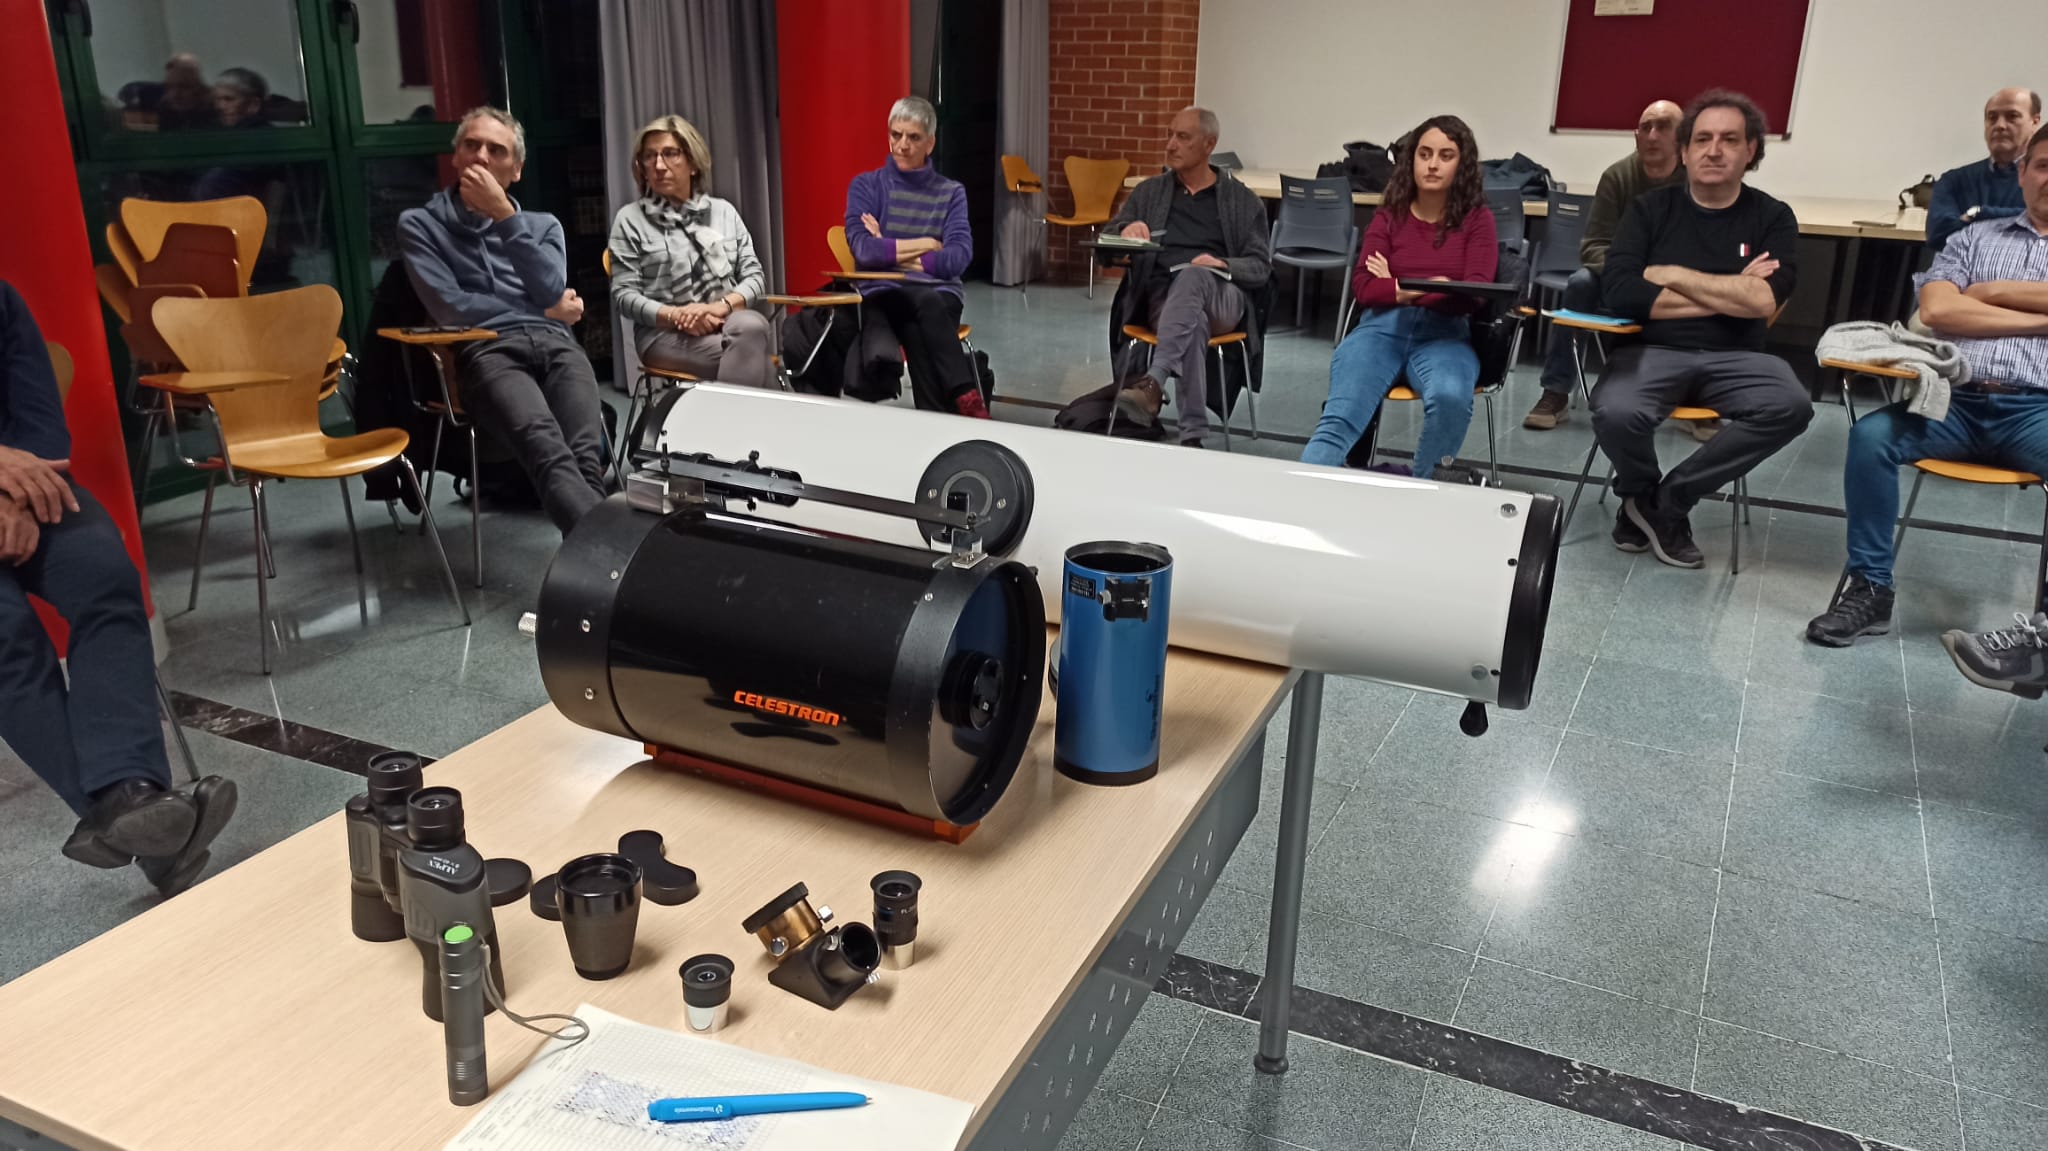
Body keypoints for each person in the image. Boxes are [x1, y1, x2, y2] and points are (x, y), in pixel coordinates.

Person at [0, 280, 236, 899]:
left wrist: (14, 494)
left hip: (25, 486)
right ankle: (139, 809)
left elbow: (36, 406)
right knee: (7, 638)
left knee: (104, 577)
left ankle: (130, 806)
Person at [1807, 122, 2048, 647]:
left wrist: (1989, 293)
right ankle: (1871, 590)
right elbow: (1938, 309)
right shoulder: (1973, 238)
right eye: (2043, 166)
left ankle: (2045, 629)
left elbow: (1959, 306)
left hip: (2037, 411)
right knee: (1871, 438)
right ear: (2023, 173)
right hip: (1954, 404)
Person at [1590, 89, 1812, 569]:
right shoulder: (1648, 211)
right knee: (1615, 411)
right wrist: (1732, 293)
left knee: (1790, 406)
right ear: (1685, 151)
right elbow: (1621, 291)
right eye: (1702, 139)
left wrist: (1669, 273)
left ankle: (1664, 504)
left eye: (1729, 140)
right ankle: (1641, 491)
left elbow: (1764, 301)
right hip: (1652, 351)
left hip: (1740, 356)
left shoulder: (1773, 217)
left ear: (1750, 150)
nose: (1714, 151)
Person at [398, 106, 610, 536]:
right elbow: (451, 307)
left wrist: (504, 216)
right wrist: (543, 310)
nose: (481, 156)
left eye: (496, 150)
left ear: (516, 170)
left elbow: (549, 288)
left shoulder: (543, 225)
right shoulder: (419, 224)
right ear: (455, 157)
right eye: (471, 145)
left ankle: (595, 556)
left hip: (556, 342)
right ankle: (610, 552)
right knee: (546, 446)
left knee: (585, 455)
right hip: (487, 349)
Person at [1300, 115, 1496, 474]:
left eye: (1446, 156)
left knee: (1451, 398)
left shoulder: (1478, 219)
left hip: (1446, 335)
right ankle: (1302, 495)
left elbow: (1474, 293)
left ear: (1462, 164)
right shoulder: (1390, 215)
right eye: (1424, 154)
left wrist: (1396, 286)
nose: (1433, 164)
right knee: (1340, 418)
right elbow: (1364, 286)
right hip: (1380, 329)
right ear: (1412, 159)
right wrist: (1434, 285)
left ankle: (1424, 490)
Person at [1103, 106, 1273, 447]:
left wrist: (1222, 264)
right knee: (1192, 323)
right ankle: (1193, 436)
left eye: (1182, 137)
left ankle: (1154, 381)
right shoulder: (1150, 192)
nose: (1170, 145)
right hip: (1164, 299)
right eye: (1170, 135)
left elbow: (1260, 267)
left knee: (1196, 276)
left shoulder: (1242, 200)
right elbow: (1107, 244)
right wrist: (1126, 230)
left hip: (1223, 296)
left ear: (1209, 144)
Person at [1525, 99, 1683, 430]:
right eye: (1646, 128)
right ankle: (1555, 391)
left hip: (1676, 281)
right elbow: (1593, 246)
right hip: (1620, 276)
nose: (1653, 135)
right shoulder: (1617, 176)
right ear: (1636, 137)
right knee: (1580, 283)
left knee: (1705, 295)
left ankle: (1698, 400)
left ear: (1683, 136)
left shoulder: (1695, 180)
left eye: (1663, 127)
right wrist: (1633, 274)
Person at [842, 96, 987, 417]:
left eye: (913, 137)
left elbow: (958, 258)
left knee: (922, 314)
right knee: (922, 304)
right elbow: (864, 250)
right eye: (896, 135)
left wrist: (887, 247)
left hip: (939, 297)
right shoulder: (866, 186)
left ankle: (937, 414)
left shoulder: (951, 192)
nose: (902, 145)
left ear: (930, 143)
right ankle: (963, 394)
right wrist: (928, 243)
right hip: (886, 295)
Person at [608, 115, 771, 390]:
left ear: (693, 163)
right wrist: (678, 316)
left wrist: (717, 307)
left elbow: (754, 277)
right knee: (758, 364)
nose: (659, 165)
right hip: (663, 334)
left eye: (670, 154)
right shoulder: (630, 219)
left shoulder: (724, 212)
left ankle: (720, 418)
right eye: (649, 156)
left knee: (751, 326)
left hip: (727, 322)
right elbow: (624, 296)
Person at [1927, 88, 2042, 254]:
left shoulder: (2042, 180)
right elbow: (1938, 235)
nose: (2000, 125)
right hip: (1961, 269)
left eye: (2012, 116)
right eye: (1992, 117)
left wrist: (1978, 213)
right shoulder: (1954, 181)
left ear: (2035, 122)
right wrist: (2018, 220)